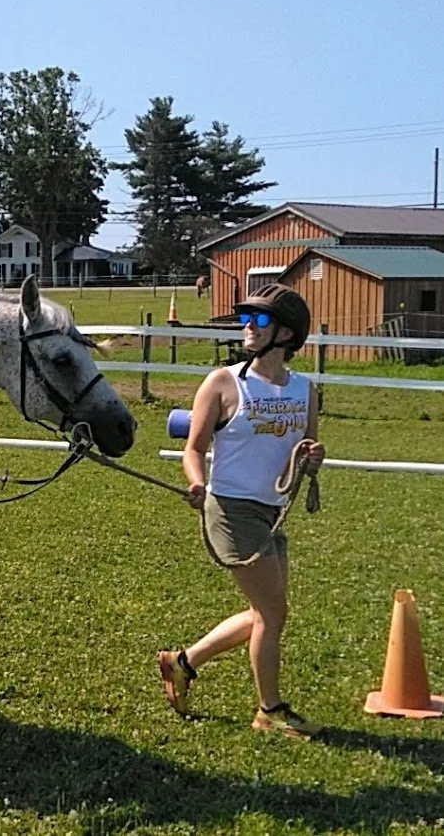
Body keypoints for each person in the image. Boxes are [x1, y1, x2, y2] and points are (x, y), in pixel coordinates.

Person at [157, 283, 326, 738]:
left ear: (286, 334)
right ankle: (270, 710)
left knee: (265, 612)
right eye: (247, 317)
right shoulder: (223, 382)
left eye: (261, 319)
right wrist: (197, 482)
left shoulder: (305, 390)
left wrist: (313, 458)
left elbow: (306, 448)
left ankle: (182, 662)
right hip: (231, 509)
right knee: (273, 612)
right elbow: (195, 448)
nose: (248, 325)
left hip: (273, 511)